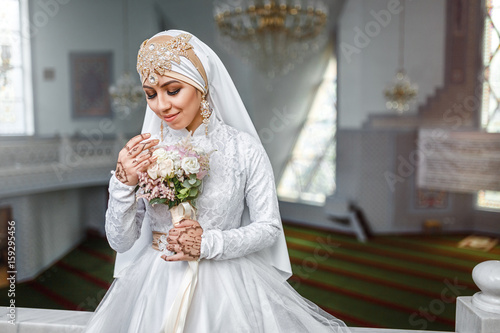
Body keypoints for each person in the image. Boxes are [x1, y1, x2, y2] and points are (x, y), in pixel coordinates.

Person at [84, 29, 350, 333]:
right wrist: (123, 182)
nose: (161, 106)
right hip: (156, 284)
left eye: (172, 90)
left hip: (228, 285)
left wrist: (208, 243)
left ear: (201, 84)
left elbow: (269, 228)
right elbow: (121, 241)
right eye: (150, 94)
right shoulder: (145, 151)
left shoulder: (243, 148)